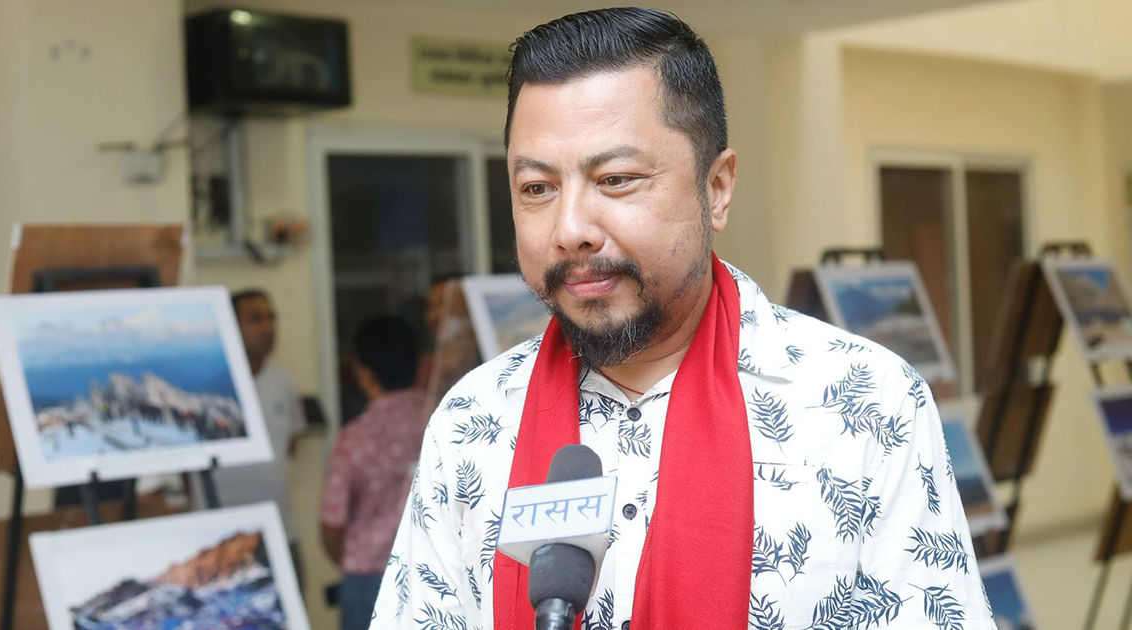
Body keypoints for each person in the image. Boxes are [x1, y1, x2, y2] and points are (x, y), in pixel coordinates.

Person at [372, 8, 996, 630]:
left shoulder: (864, 404)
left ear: (716, 188)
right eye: (537, 188)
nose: (570, 230)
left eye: (616, 179)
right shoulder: (472, 420)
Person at [321, 315, 427, 630]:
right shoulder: (441, 417)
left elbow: (332, 525)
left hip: (367, 579)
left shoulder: (356, 436)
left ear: (364, 373)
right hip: (433, 569)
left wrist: (356, 558)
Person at [213, 290, 306, 574]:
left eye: (271, 318)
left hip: (280, 530)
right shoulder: (211, 387)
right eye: (255, 319)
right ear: (231, 325)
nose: (268, 327)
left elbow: (291, 444)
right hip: (222, 537)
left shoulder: (284, 382)